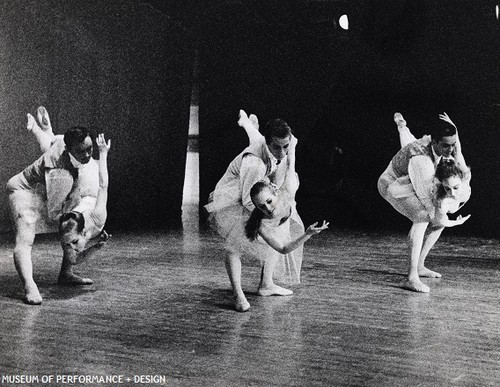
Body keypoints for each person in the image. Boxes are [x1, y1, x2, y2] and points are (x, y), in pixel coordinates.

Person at [205, 110, 311, 312]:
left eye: (286, 146)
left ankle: (266, 284)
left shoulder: (269, 143)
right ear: (268, 144)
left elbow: (256, 135)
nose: (281, 153)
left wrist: (246, 123)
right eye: (276, 147)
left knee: (279, 224)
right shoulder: (254, 162)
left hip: (260, 189)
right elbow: (247, 199)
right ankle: (238, 295)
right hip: (237, 195)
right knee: (234, 245)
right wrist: (266, 218)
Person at [7, 107, 100, 304]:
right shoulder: (60, 174)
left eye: (90, 148)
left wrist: (42, 128)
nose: (87, 155)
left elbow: (50, 141)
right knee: (26, 239)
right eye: (81, 151)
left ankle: (66, 274)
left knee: (71, 225)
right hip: (24, 191)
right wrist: (75, 219)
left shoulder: (63, 142)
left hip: (47, 190)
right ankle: (29, 286)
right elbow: (54, 212)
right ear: (69, 150)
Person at [378, 112, 471, 293]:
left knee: (438, 218)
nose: (450, 151)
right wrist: (449, 220)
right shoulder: (421, 161)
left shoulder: (437, 146)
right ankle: (411, 277)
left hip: (411, 178)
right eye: (446, 146)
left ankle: (420, 265)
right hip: (391, 184)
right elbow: (427, 198)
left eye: (452, 145)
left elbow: (408, 141)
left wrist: (402, 126)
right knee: (424, 216)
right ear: (433, 142)